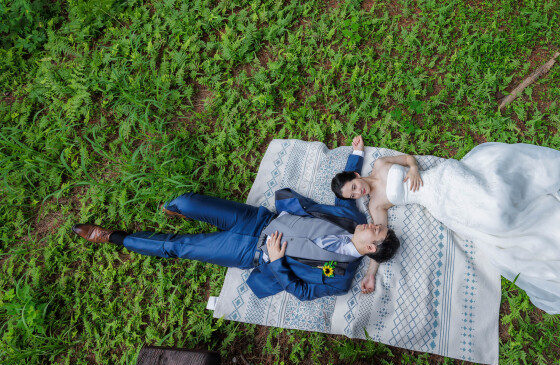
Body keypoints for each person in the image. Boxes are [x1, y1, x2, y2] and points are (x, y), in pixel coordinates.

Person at [331, 137, 560, 332]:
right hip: (437, 204)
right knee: (496, 222)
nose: (358, 193)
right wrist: (372, 274)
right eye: (352, 197)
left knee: (496, 200)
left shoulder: (378, 165)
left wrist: (415, 170)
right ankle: (537, 228)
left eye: (353, 188)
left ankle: (519, 197)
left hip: (441, 180)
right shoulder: (376, 207)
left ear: (353, 177)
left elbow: (408, 158)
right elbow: (380, 241)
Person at [72, 137, 400, 301]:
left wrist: (277, 261)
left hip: (250, 252)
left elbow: (300, 291)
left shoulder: (339, 277)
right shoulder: (348, 216)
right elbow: (346, 191)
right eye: (378, 222)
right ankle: (177, 207)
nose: (372, 223)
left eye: (377, 230)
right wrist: (355, 154)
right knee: (187, 201)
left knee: (182, 247)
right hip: (258, 219)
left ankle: (114, 237)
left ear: (371, 248)